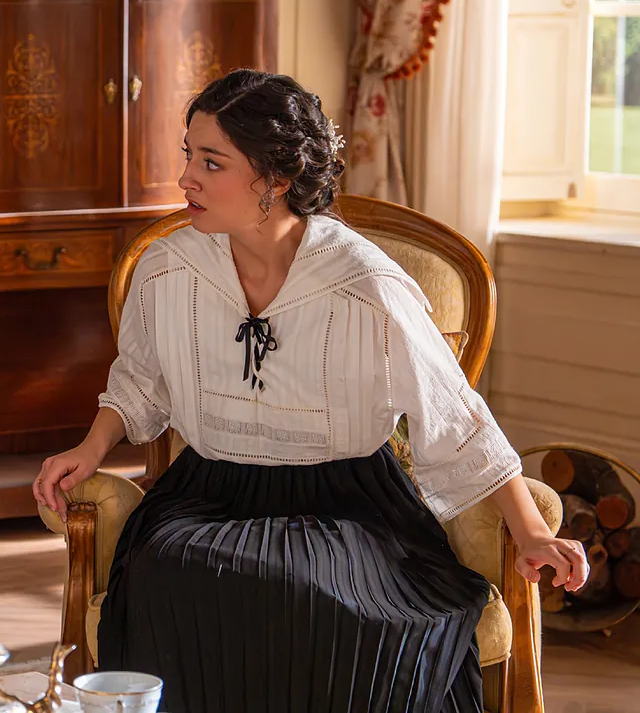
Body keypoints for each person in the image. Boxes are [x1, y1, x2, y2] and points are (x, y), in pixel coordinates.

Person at [33, 69, 589, 712]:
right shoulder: (167, 268)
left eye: (211, 162)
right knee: (175, 574)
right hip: (209, 495)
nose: (185, 178)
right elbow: (138, 382)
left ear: (276, 178)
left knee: (322, 598)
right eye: (188, 155)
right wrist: (90, 447)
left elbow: (456, 420)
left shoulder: (366, 284)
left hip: (350, 506)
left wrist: (531, 531)